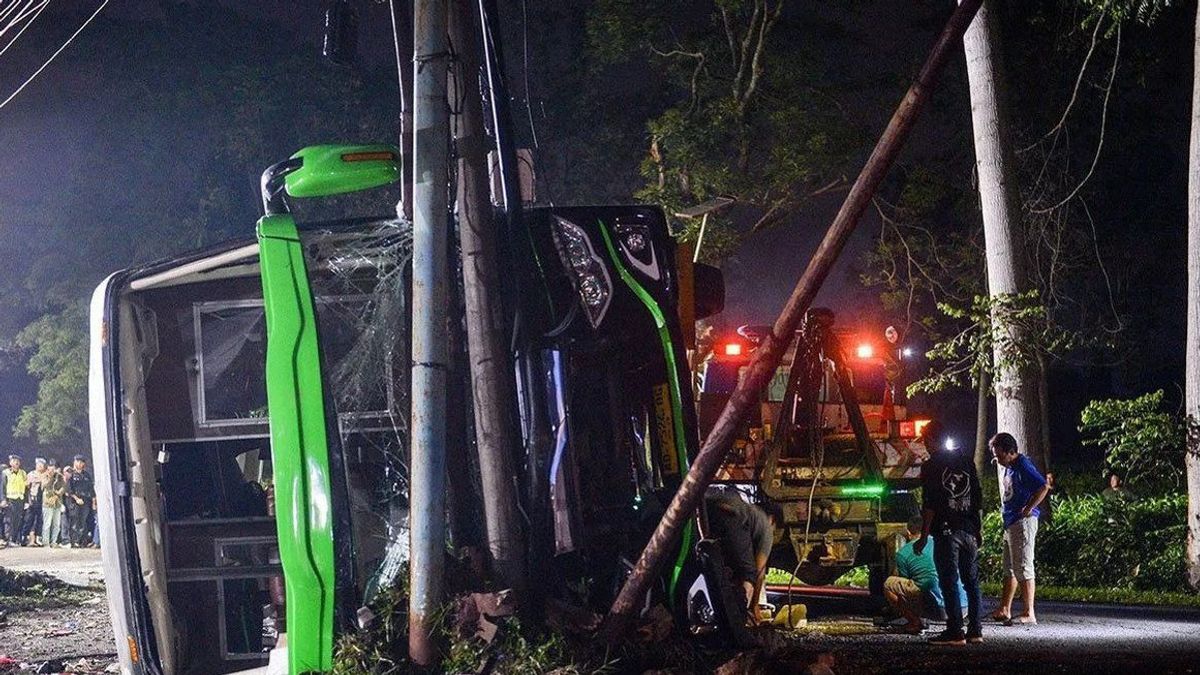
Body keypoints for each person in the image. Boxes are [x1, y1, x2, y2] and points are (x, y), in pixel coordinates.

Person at [914, 420, 983, 645]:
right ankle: (975, 631)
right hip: (969, 529)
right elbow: (977, 498)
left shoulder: (932, 466)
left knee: (949, 580)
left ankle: (955, 632)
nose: (925, 446)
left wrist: (923, 536)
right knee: (971, 581)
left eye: (926, 441)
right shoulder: (966, 461)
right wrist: (977, 529)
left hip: (946, 530)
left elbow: (930, 503)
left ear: (932, 440)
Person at [990, 433, 1049, 626]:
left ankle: (1029, 612)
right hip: (1011, 522)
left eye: (999, 455)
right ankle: (1005, 608)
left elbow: (1042, 486)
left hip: (1022, 522)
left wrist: (1029, 508)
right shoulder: (1010, 467)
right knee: (1010, 568)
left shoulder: (1023, 465)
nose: (997, 459)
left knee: (1023, 566)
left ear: (1010, 452)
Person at [704, 490, 784, 625]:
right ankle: (739, 619)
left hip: (707, 508)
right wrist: (755, 606)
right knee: (748, 573)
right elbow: (758, 571)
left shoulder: (751, 512)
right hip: (731, 515)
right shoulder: (765, 526)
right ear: (772, 519)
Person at [884, 515, 967, 634]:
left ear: (908, 532)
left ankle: (914, 622)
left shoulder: (903, 553)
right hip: (963, 608)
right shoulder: (944, 543)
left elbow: (906, 581)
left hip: (936, 610)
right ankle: (956, 622)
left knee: (889, 584)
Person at [66, 455, 95, 548]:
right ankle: (74, 541)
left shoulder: (87, 475)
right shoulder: (72, 475)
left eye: (81, 462)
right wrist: (77, 499)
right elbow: (69, 490)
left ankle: (81, 541)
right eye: (77, 461)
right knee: (75, 522)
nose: (79, 463)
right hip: (75, 501)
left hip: (86, 501)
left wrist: (94, 501)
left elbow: (91, 489)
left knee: (83, 522)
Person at [0, 455, 28, 546]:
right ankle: (8, 539)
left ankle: (14, 539)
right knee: (8, 520)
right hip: (10, 499)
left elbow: (26, 488)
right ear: (10, 463)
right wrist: (3, 499)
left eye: (17, 461)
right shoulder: (6, 473)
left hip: (20, 499)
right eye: (14, 460)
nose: (16, 462)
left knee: (17, 520)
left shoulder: (23, 473)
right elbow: (3, 487)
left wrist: (26, 501)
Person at [20, 458, 47, 546]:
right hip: (32, 499)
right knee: (29, 520)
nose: (40, 466)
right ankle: (25, 538)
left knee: (39, 520)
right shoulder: (31, 474)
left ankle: (37, 539)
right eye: (38, 464)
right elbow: (26, 486)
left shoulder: (45, 474)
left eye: (42, 464)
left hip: (42, 499)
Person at [41, 459, 66, 548]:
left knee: (57, 524)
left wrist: (58, 493)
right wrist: (51, 477)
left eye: (54, 467)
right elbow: (45, 485)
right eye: (51, 467)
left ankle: (54, 541)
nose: (52, 469)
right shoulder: (45, 475)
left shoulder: (59, 476)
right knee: (47, 524)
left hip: (57, 502)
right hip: (48, 503)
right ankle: (46, 542)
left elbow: (63, 487)